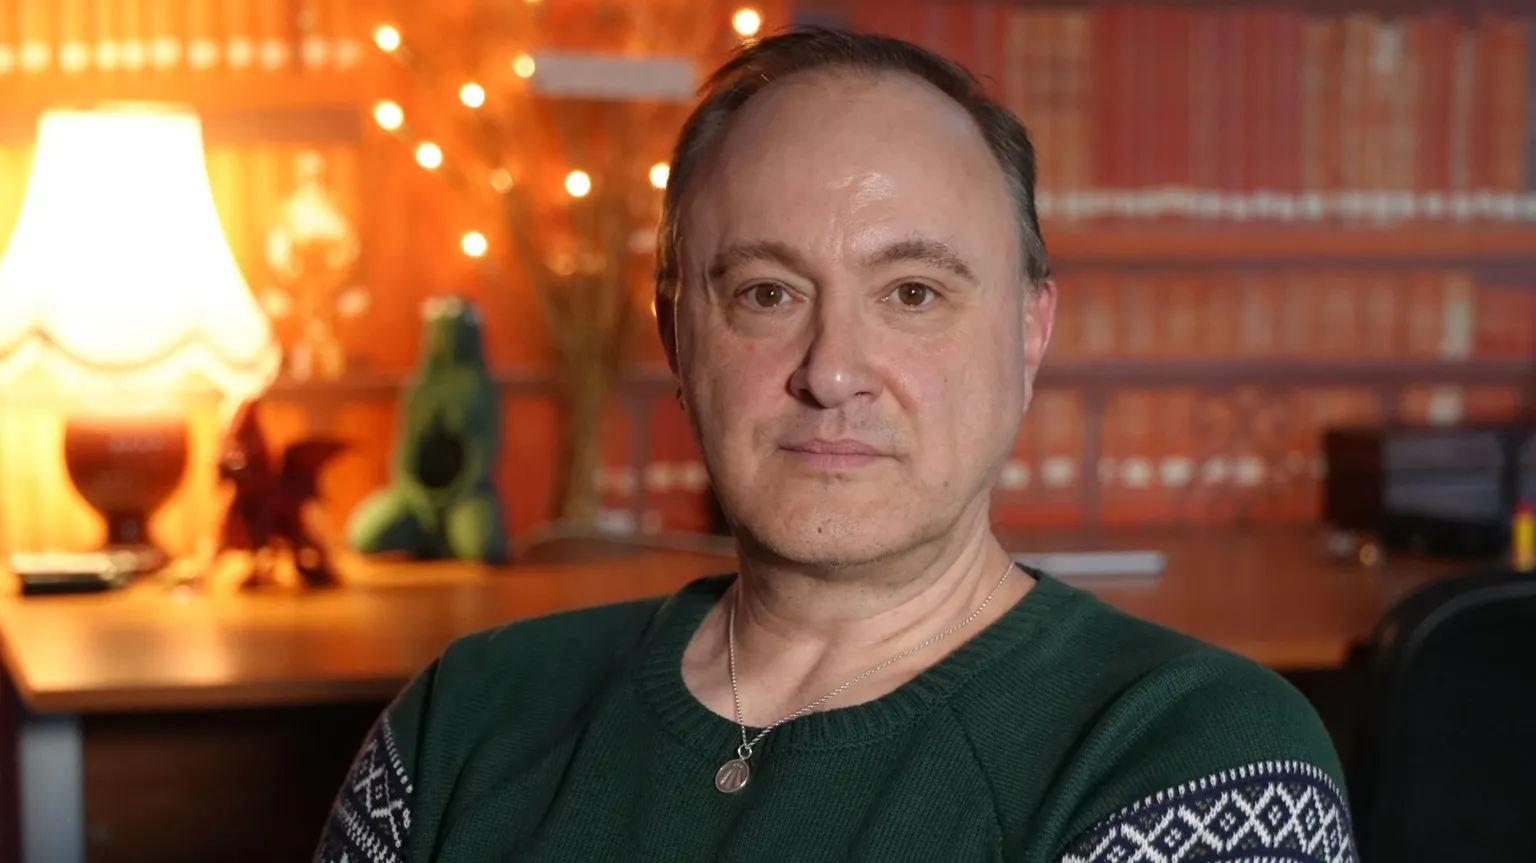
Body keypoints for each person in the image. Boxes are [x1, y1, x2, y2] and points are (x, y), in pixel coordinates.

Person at [315, 27, 1356, 863]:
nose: (833, 368)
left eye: (912, 293)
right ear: (678, 330)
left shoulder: (1200, 762)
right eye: (768, 292)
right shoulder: (463, 719)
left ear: (1029, 332)